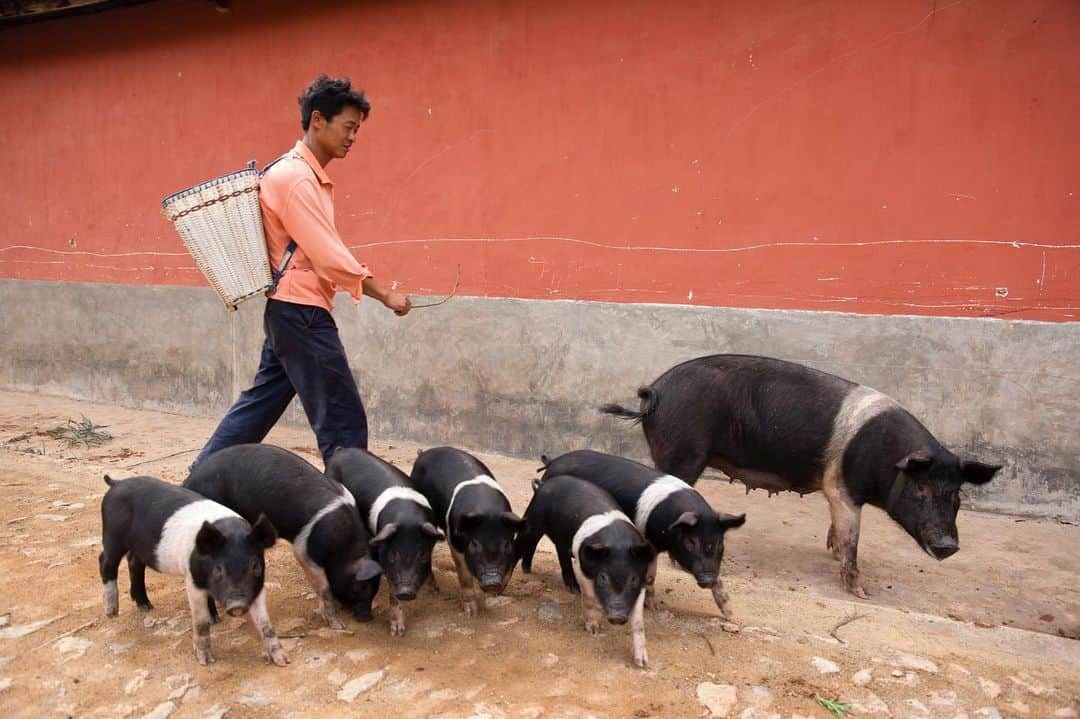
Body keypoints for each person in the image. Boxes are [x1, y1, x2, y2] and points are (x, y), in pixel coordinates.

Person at [193, 75, 411, 467]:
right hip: (303, 314)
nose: (352, 138)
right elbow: (328, 256)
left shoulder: (301, 175)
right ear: (317, 121)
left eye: (356, 130)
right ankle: (352, 507)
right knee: (343, 422)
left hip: (289, 310)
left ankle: (200, 478)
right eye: (347, 127)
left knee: (259, 405)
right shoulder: (295, 178)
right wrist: (385, 294)